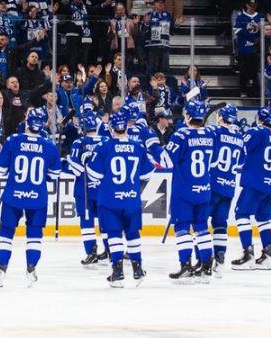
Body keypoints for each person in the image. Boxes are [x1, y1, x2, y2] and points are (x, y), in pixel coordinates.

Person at [0, 107, 62, 287]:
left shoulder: (13, 141)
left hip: (13, 195)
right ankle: (31, 270)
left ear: (27, 122)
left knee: (6, 232)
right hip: (38, 198)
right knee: (34, 234)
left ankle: (1, 270)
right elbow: (55, 174)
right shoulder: (49, 146)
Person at [87, 107, 153, 288]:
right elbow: (147, 174)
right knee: (132, 233)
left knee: (114, 234)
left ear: (111, 127)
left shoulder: (104, 147)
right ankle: (137, 269)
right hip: (131, 199)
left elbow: (93, 174)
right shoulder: (138, 147)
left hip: (109, 200)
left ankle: (117, 271)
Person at [230, 105, 271, 272]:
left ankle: (248, 255)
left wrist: (238, 133)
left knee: (241, 214)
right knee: (263, 218)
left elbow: (241, 147)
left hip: (254, 182)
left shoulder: (255, 132)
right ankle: (267, 256)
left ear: (259, 119)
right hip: (270, 183)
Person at [160, 100, 215, 283]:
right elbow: (214, 161)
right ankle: (206, 266)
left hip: (184, 191)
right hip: (204, 189)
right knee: (201, 227)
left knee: (182, 227)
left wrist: (154, 148)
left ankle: (186, 265)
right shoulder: (210, 135)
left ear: (188, 116)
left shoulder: (181, 136)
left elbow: (166, 161)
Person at [207, 104, 245, 273]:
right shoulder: (239, 137)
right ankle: (220, 259)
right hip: (229, 186)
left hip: (212, 184)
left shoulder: (214, 132)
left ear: (220, 116)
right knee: (220, 224)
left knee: (201, 222)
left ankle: (204, 261)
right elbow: (242, 161)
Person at [67, 107, 107, 266]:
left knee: (86, 221)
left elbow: (75, 169)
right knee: (106, 220)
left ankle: (91, 251)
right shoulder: (106, 141)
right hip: (103, 189)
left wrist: (68, 162)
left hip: (83, 189)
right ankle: (110, 249)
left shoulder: (79, 143)